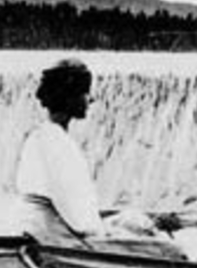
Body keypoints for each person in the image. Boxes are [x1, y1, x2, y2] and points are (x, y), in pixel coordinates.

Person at [15, 59, 182, 256]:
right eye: (85, 93)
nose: (90, 99)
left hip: (39, 232)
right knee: (170, 250)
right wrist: (139, 228)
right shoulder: (58, 144)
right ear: (69, 97)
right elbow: (84, 225)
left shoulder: (39, 136)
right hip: (57, 241)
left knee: (136, 226)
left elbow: (70, 208)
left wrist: (137, 220)